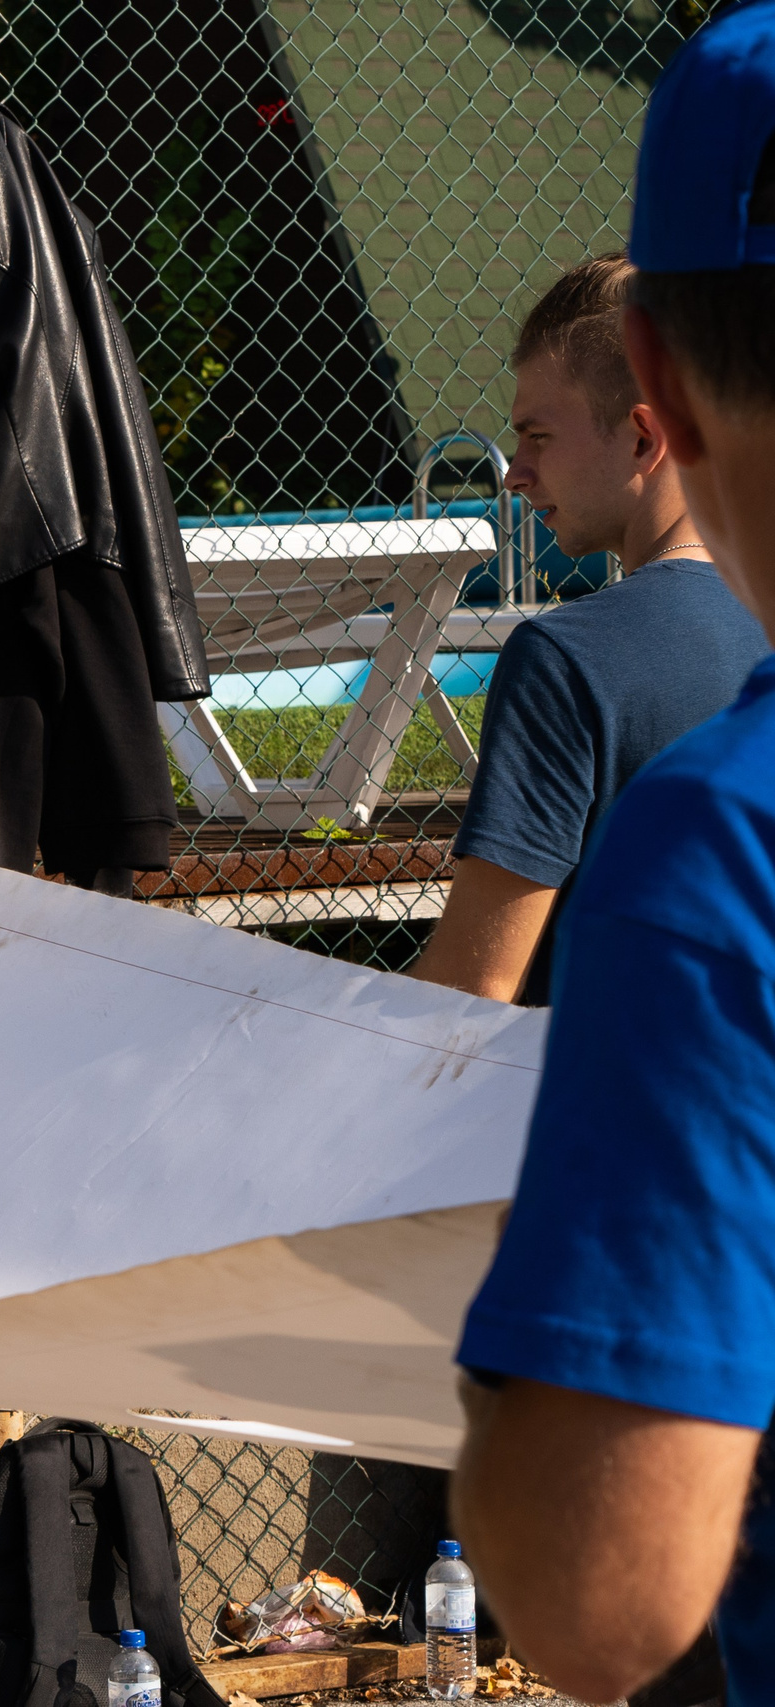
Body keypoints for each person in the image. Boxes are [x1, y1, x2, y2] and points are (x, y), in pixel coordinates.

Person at [450, 12, 775, 1704]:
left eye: (538, 434)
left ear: (654, 392)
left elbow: (598, 1592)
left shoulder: (710, 834)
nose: (517, 471)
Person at [408, 254, 763, 1004]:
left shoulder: (568, 660)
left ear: (642, 437)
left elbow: (470, 991)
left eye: (537, 436)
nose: (515, 473)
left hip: (598, 1073)